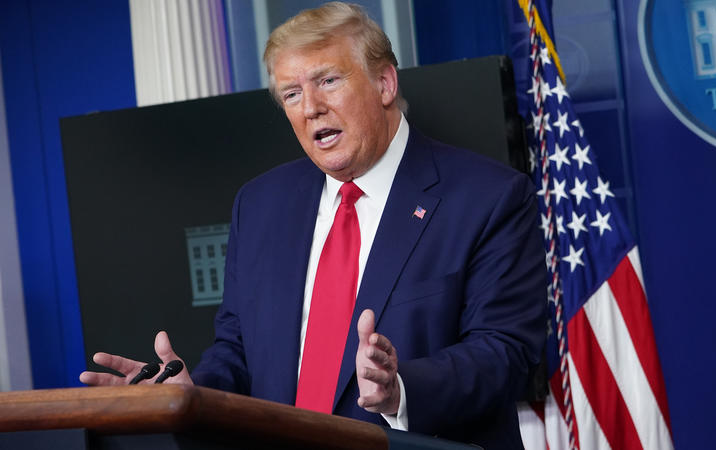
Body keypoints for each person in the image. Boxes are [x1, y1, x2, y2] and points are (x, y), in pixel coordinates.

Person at [80, 3, 546, 448]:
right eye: (292, 93)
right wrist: (188, 395)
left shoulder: (488, 197)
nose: (311, 108)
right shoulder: (260, 204)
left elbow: (505, 352)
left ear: (384, 83)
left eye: (328, 80)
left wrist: (401, 389)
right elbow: (237, 352)